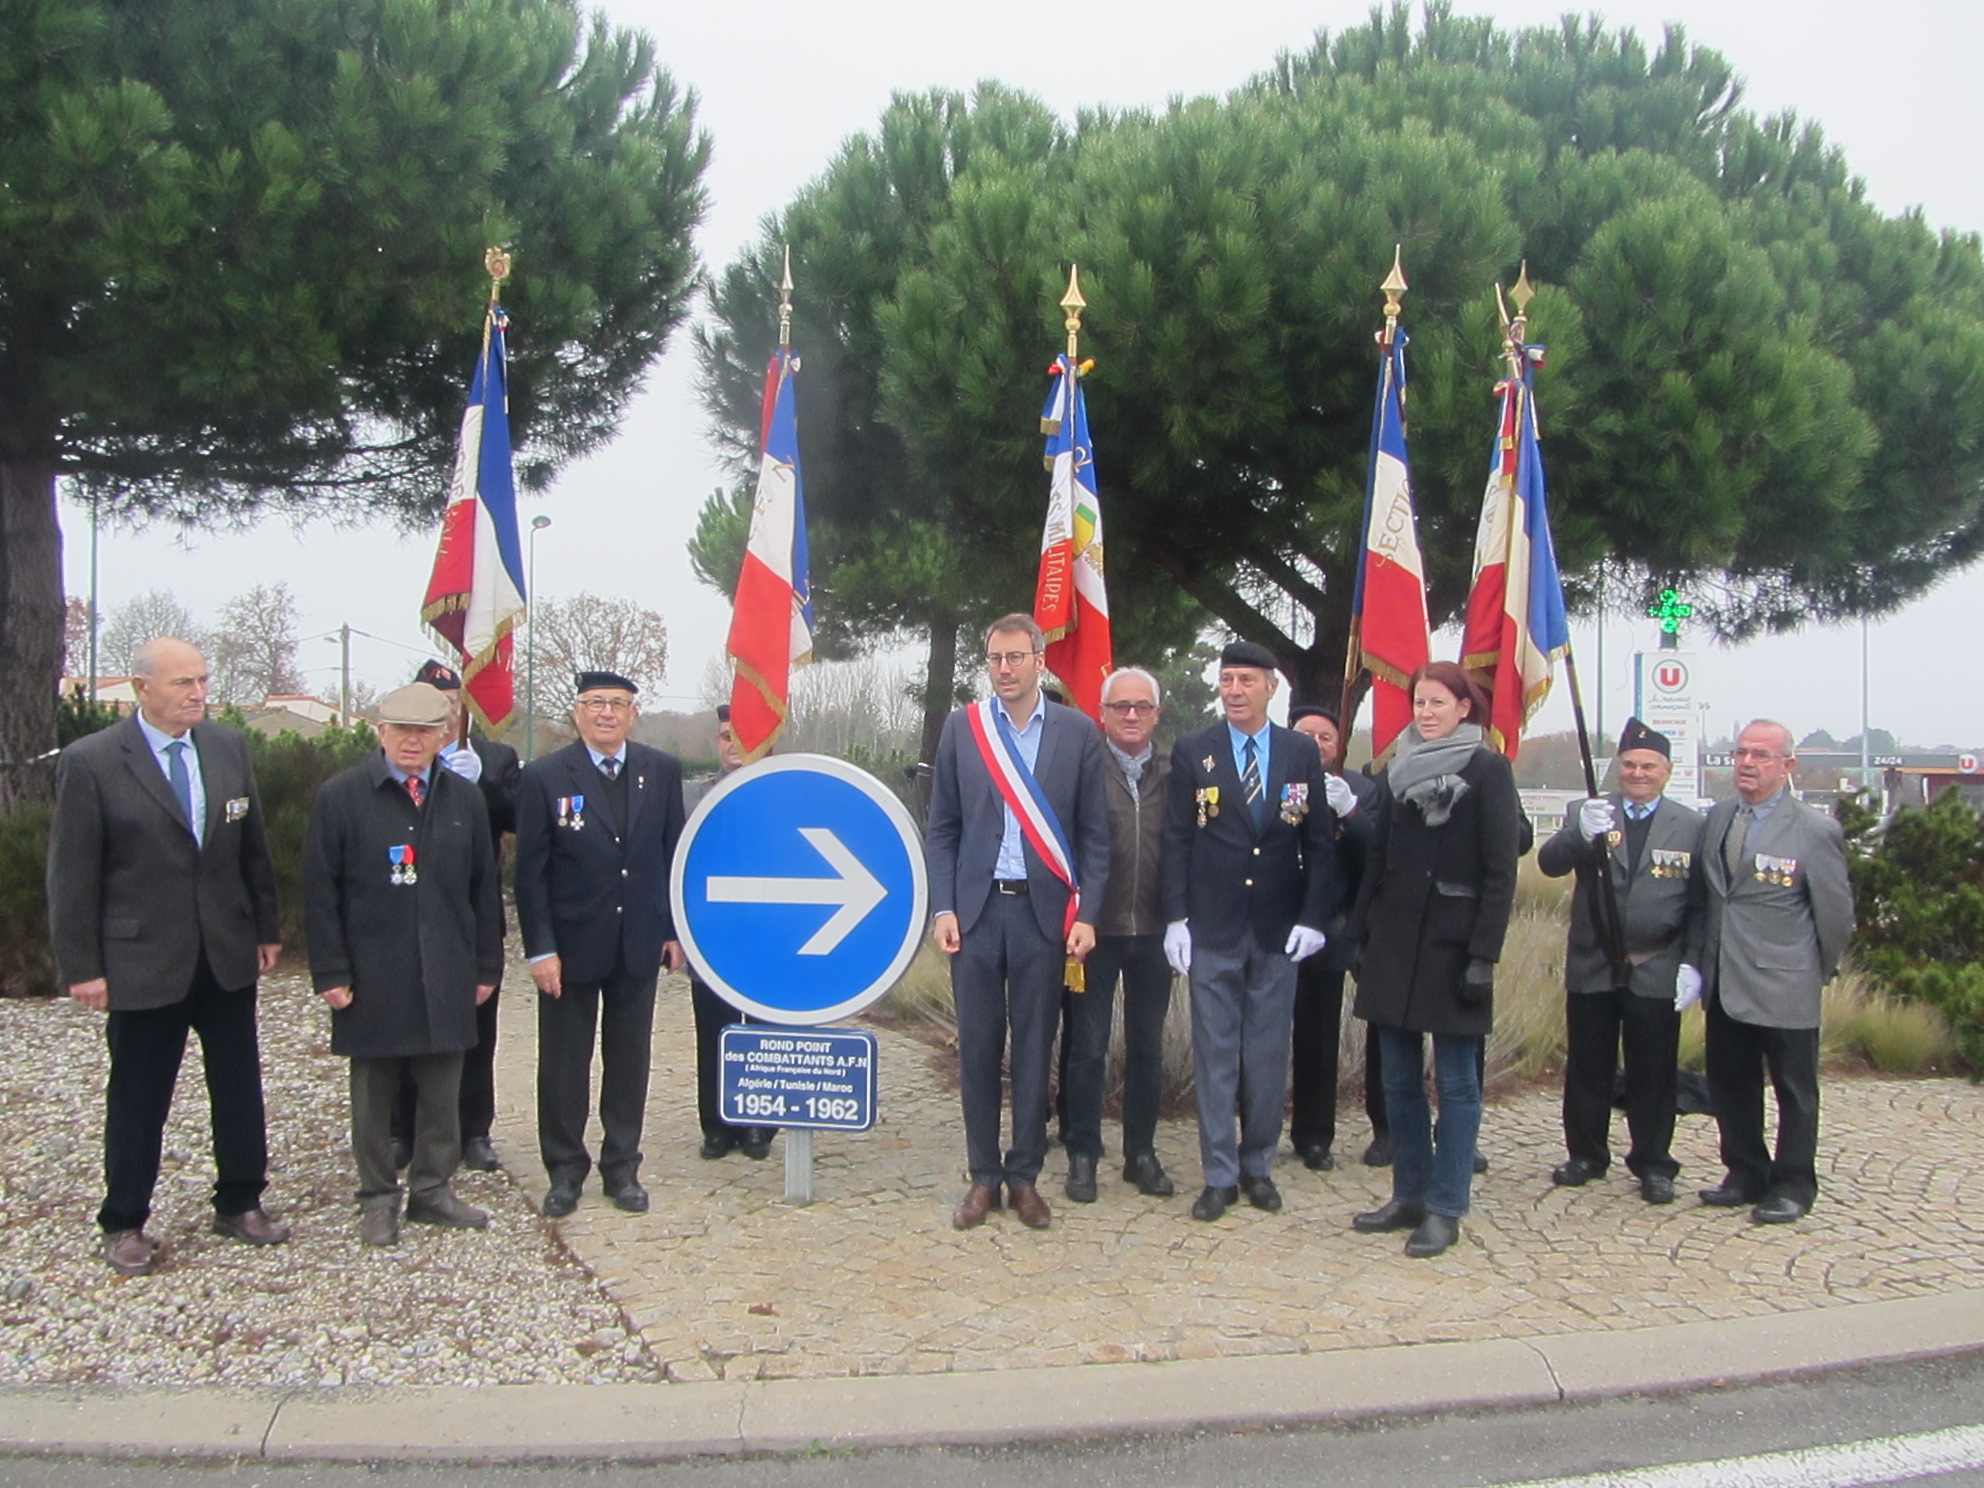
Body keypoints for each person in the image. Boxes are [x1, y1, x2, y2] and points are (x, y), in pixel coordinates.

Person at [47, 636, 289, 1275]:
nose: (198, 693)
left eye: (203, 681)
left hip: (226, 950)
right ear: (142, 689)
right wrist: (82, 966)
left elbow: (251, 848)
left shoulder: (227, 748)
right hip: (141, 959)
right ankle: (124, 1219)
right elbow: (71, 873)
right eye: (183, 683)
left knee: (238, 1084)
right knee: (139, 1093)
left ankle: (240, 1200)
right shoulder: (94, 761)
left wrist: (265, 926)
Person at [926, 614, 1111, 1232]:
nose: (1004, 669)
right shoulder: (963, 728)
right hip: (976, 915)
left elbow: (1093, 835)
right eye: (995, 659)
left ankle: (1025, 1177)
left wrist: (1086, 913)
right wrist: (944, 906)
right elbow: (944, 828)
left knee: (1034, 1049)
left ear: (1039, 660)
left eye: (1015, 658)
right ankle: (983, 1176)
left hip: (1043, 916)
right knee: (978, 1049)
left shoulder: (1079, 733)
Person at [303, 682, 503, 1246]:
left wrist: (487, 964)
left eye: (424, 731)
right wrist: (331, 972)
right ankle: (377, 1198)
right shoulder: (341, 797)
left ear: (444, 735)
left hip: (447, 965)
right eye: (401, 730)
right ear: (380, 732)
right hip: (372, 969)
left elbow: (483, 888)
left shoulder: (465, 800)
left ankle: (433, 1189)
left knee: (443, 1087)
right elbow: (320, 893)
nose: (412, 742)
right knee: (374, 1091)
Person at [1348, 661, 1520, 1258]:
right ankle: (1409, 1195)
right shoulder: (1398, 770)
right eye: (1419, 702)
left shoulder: (1488, 769)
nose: (1425, 712)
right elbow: (1378, 859)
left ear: (1463, 709)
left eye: (1437, 703)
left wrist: (1484, 955)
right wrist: (1361, 933)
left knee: (1456, 1082)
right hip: (1395, 943)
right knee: (1397, 1079)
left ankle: (1447, 1206)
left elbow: (1501, 872)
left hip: (1454, 945)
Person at [1161, 641, 1336, 1223]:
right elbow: (1179, 839)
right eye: (1227, 679)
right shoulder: (1195, 750)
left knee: (1265, 1053)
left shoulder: (1298, 753)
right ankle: (1219, 1174)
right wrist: (1176, 918)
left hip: (1277, 931)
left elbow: (1318, 843)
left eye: (1246, 681)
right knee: (1215, 1056)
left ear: (1271, 688)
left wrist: (1313, 918)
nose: (1234, 690)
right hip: (1212, 927)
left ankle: (1258, 1163)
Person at [514, 670, 687, 1219]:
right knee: (564, 1063)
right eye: (595, 704)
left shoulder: (660, 771)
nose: (607, 713)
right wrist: (540, 948)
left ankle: (622, 1168)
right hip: (570, 945)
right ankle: (565, 1171)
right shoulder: (544, 777)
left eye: (618, 704)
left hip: (637, 941)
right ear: (577, 712)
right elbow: (530, 873)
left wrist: (672, 931)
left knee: (629, 1060)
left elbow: (672, 856)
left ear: (633, 714)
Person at [1682, 719, 1853, 1225]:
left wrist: (1815, 969)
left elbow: (1836, 915)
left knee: (1794, 1090)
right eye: (1741, 753)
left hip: (1786, 981)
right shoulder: (1718, 819)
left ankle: (1794, 1183)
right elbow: (1709, 901)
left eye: (1760, 755)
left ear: (1787, 766)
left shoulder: (1813, 830)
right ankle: (1745, 1171)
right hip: (1726, 978)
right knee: (1731, 1083)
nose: (1748, 764)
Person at [1536, 717, 1704, 1204]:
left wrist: (1693, 963)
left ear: (1666, 771)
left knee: (1654, 1070)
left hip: (1657, 962)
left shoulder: (1690, 825)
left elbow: (1700, 903)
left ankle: (1654, 1163)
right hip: (1595, 960)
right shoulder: (1589, 811)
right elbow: (1550, 864)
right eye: (1629, 764)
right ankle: (1586, 1154)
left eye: (1648, 766)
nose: (1637, 773)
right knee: (1589, 1064)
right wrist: (1579, 834)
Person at [389, 659, 520, 1175]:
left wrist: (482, 783)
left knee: (476, 1030)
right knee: (401, 1027)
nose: (442, 709)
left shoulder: (493, 757)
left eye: (449, 701)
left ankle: (474, 1130)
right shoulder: (396, 755)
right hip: (403, 917)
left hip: (469, 918)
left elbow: (518, 820)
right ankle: (402, 1130)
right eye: (430, 699)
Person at [1060, 666, 1176, 1203]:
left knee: (1147, 1049)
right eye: (1120, 707)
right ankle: (1082, 1153)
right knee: (1087, 1046)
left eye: (1142, 707)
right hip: (1093, 931)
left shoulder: (1180, 771)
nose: (1131, 716)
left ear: (1157, 713)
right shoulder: (1081, 765)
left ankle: (1141, 1154)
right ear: (1101, 714)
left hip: (1156, 931)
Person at [1285, 704, 1381, 1173]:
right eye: (1308, 735)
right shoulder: (1274, 778)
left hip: (1328, 933)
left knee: (1318, 1042)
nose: (1318, 744)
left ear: (1339, 746)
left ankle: (1314, 1135)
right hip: (1271, 928)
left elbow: (1376, 858)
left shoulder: (1361, 790)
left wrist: (1353, 812)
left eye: (1327, 737)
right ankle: (1254, 1130)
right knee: (1259, 1038)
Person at [689, 704, 774, 1160]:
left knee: (764, 1030)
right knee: (715, 1033)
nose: (733, 744)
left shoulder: (782, 794)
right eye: (725, 736)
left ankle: (761, 1123)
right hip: (713, 939)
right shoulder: (695, 799)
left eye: (743, 735)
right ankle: (717, 1126)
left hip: (768, 942)